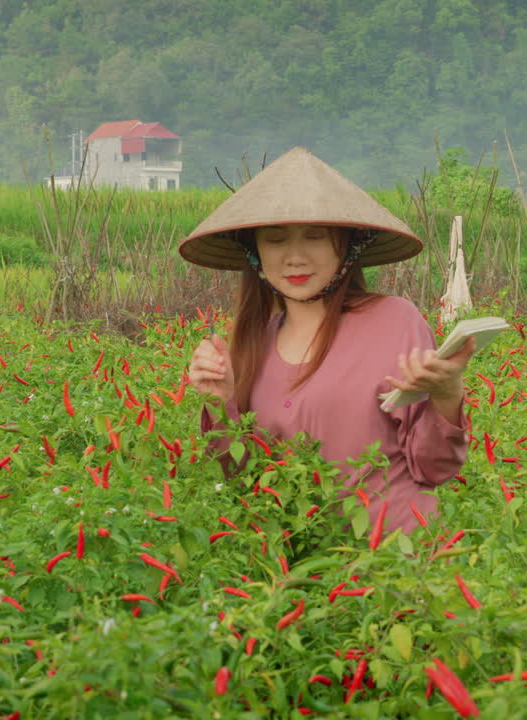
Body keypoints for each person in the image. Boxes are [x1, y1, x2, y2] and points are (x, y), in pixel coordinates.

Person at [181, 147, 475, 535]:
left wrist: (446, 395)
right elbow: (242, 484)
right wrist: (220, 404)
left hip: (393, 565)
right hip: (297, 570)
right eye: (275, 239)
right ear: (255, 253)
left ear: (347, 246)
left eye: (316, 237)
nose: (295, 257)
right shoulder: (253, 344)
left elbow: (434, 467)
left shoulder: (394, 321)